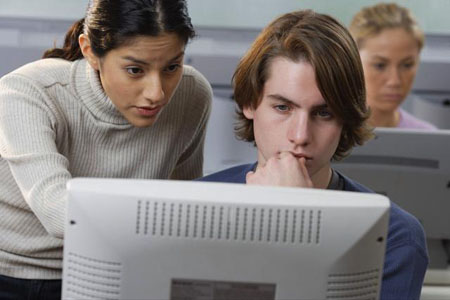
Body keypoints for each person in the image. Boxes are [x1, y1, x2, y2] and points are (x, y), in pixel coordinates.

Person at [199, 9, 428, 300]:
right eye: (283, 108)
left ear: (345, 119)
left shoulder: (394, 237)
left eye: (324, 113)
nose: (300, 135)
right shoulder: (189, 205)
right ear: (249, 103)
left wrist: (293, 225)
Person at [0, 0, 212, 298]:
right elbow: (59, 211)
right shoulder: (28, 92)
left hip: (115, 267)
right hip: (9, 271)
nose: (157, 93)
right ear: (90, 52)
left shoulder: (192, 95)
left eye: (172, 67)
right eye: (135, 70)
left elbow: (187, 197)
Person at [349, 2, 436, 129]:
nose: (394, 81)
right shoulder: (326, 134)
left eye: (407, 65)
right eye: (380, 65)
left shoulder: (429, 136)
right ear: (353, 62)